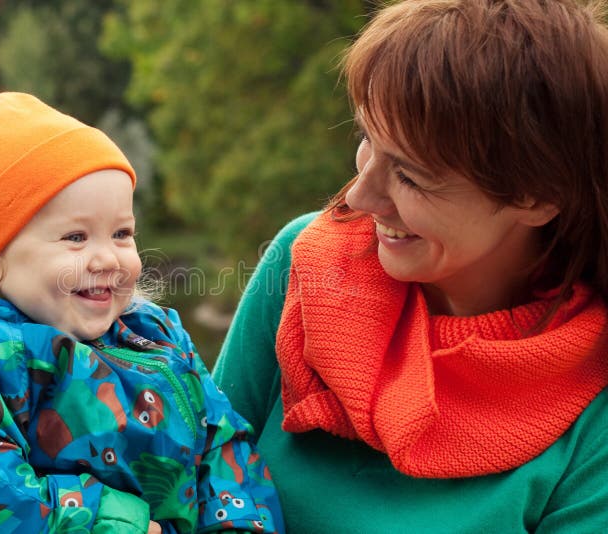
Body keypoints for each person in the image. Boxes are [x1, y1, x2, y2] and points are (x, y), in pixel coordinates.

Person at [213, 0, 608, 532]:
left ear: (539, 195)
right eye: (366, 139)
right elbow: (191, 472)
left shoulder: (595, 417)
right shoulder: (301, 260)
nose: (360, 195)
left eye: (411, 175)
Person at [0, 92, 283, 534]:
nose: (107, 258)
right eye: (75, 237)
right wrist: (113, 523)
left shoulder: (159, 335)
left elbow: (223, 443)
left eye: (121, 233)